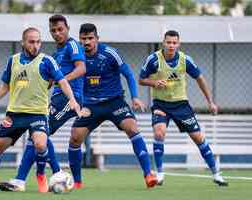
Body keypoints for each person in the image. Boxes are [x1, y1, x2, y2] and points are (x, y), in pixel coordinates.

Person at [0, 27, 81, 193]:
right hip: (14, 114)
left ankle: (44, 173)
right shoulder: (13, 61)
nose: (36, 45)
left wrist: (72, 100)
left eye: (38, 42)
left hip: (38, 114)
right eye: (31, 42)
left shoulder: (47, 61)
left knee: (41, 144)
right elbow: (5, 87)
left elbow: (62, 81)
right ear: (23, 42)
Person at [0, 14, 86, 192]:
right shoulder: (56, 52)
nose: (57, 33)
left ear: (67, 28)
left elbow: (81, 68)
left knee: (41, 130)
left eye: (60, 29)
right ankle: (52, 173)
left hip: (69, 97)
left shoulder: (72, 45)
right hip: (57, 98)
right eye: (53, 30)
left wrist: (60, 80)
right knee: (39, 134)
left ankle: (28, 178)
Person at [67, 23, 157, 189]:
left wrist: (135, 97)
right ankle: (77, 182)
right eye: (83, 39)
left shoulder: (110, 53)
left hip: (114, 101)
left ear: (97, 39)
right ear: (80, 40)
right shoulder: (76, 57)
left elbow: (128, 74)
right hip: (90, 105)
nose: (87, 42)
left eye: (90, 38)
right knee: (75, 137)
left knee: (132, 128)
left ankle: (148, 174)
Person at [138, 30, 228, 186]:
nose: (171, 45)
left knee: (198, 138)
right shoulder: (153, 60)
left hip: (181, 105)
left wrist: (210, 102)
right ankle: (159, 174)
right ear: (163, 43)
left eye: (174, 43)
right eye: (168, 42)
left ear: (178, 44)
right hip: (161, 104)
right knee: (159, 133)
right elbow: (141, 79)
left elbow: (200, 79)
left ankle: (216, 173)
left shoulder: (185, 60)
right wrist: (154, 83)